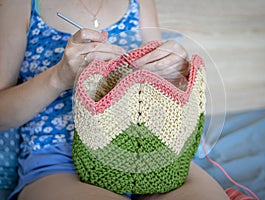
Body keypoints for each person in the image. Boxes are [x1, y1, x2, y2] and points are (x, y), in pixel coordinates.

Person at [0, 0, 229, 199]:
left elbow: (159, 90)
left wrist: (173, 71)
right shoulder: (19, 4)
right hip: (58, 158)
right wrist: (59, 77)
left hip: (144, 145)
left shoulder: (139, 2)